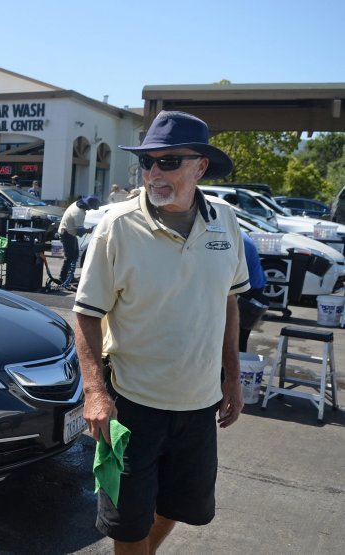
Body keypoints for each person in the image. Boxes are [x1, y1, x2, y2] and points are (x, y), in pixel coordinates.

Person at [74, 110, 249, 553]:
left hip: (199, 405)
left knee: (180, 506)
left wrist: (233, 376)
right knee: (127, 526)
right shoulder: (117, 226)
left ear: (200, 167)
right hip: (133, 407)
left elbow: (229, 301)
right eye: (147, 162)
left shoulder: (226, 222)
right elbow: (87, 314)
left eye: (168, 161)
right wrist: (96, 392)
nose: (153, 173)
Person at [58, 195, 100, 287]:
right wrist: (88, 230)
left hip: (68, 232)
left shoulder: (76, 204)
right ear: (88, 206)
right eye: (91, 208)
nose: (90, 210)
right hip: (67, 233)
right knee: (69, 257)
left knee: (75, 255)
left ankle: (69, 276)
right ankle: (62, 277)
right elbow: (79, 232)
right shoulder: (79, 213)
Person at [238, 231, 268, 352]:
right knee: (239, 338)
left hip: (249, 291)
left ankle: (231, 369)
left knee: (236, 338)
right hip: (253, 288)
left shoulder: (234, 238)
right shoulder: (238, 233)